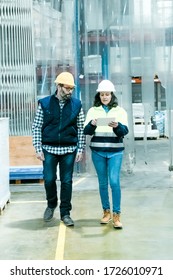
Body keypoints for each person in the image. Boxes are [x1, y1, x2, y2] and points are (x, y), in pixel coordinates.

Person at [32, 72, 85, 226]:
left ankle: (65, 213)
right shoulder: (45, 103)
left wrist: (80, 149)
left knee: (67, 181)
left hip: (69, 149)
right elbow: (37, 127)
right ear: (58, 86)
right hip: (48, 148)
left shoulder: (76, 105)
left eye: (72, 89)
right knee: (49, 179)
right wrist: (37, 147)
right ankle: (51, 204)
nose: (70, 91)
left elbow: (81, 128)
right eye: (67, 88)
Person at [84, 80, 128, 229]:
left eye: (107, 94)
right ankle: (106, 212)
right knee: (103, 183)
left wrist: (117, 127)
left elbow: (124, 132)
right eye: (102, 94)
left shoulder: (120, 111)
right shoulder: (92, 111)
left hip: (116, 152)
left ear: (112, 95)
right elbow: (86, 131)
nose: (104, 97)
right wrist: (92, 124)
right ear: (99, 95)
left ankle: (117, 215)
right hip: (98, 151)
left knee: (114, 182)